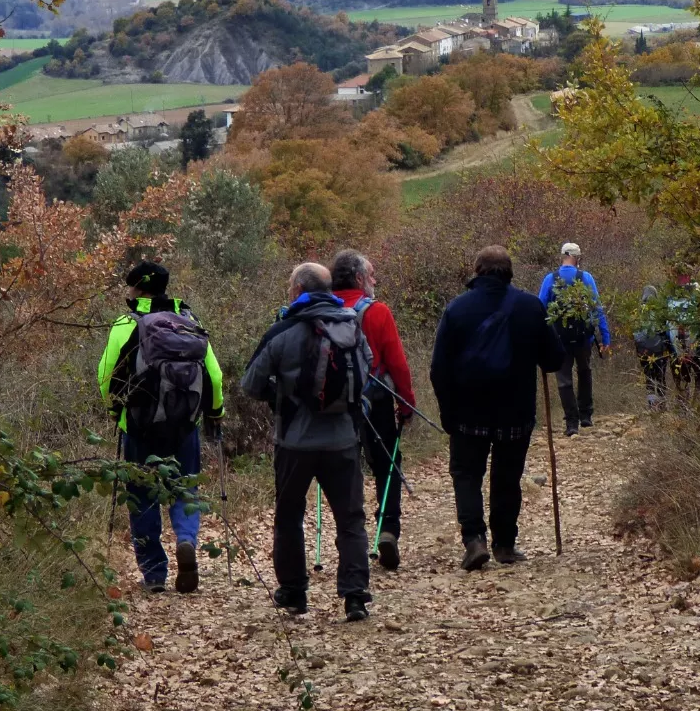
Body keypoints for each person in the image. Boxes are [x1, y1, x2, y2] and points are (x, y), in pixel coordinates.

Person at [242, 262, 374, 622]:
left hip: (294, 441)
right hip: (343, 439)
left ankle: (294, 592)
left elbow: (250, 384)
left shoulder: (282, 331)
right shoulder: (351, 326)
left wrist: (281, 395)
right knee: (350, 519)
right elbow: (367, 373)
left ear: (298, 289)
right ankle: (355, 597)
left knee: (289, 516)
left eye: (289, 284)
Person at [431, 245, 565, 571]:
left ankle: (474, 540)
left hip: (467, 413)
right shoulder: (530, 307)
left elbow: (438, 368)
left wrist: (448, 411)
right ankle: (504, 544)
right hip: (515, 413)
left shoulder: (457, 309)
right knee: (507, 477)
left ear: (476, 271)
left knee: (466, 475)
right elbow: (554, 360)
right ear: (509, 273)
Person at [98, 260, 225, 594]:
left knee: (141, 495)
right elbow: (213, 375)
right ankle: (185, 540)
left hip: (139, 426)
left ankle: (154, 574)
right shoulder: (188, 320)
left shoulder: (127, 322)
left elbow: (107, 375)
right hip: (184, 424)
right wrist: (214, 412)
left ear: (137, 288)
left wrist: (116, 412)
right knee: (185, 488)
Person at [329, 248, 415, 572]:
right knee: (387, 464)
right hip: (376, 403)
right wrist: (406, 402)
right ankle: (388, 529)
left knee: (344, 471)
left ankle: (350, 539)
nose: (375, 280)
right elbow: (397, 362)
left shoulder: (321, 312)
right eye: (373, 274)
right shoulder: (377, 312)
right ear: (360, 278)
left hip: (333, 408)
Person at [537, 242, 611, 436]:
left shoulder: (550, 279)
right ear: (577, 258)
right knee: (585, 372)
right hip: (583, 338)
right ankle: (586, 415)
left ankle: (571, 423)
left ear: (562, 257)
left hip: (558, 339)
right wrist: (605, 336)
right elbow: (597, 309)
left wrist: (540, 339)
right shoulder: (585, 278)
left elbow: (540, 310)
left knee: (564, 380)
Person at [631, 284, 674, 410]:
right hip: (660, 350)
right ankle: (662, 405)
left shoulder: (638, 312)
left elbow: (636, 334)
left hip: (644, 351)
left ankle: (651, 405)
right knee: (660, 377)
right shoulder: (660, 310)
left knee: (649, 378)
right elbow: (666, 331)